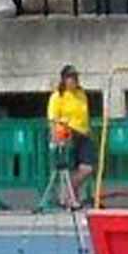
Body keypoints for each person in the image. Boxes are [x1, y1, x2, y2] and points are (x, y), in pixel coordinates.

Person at [47, 65, 93, 208]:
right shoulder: (57, 96)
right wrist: (56, 135)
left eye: (75, 78)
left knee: (87, 168)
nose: (73, 81)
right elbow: (53, 118)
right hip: (68, 133)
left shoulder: (81, 94)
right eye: (69, 78)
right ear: (64, 80)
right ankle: (71, 198)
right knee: (71, 169)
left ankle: (69, 194)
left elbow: (84, 114)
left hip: (83, 133)